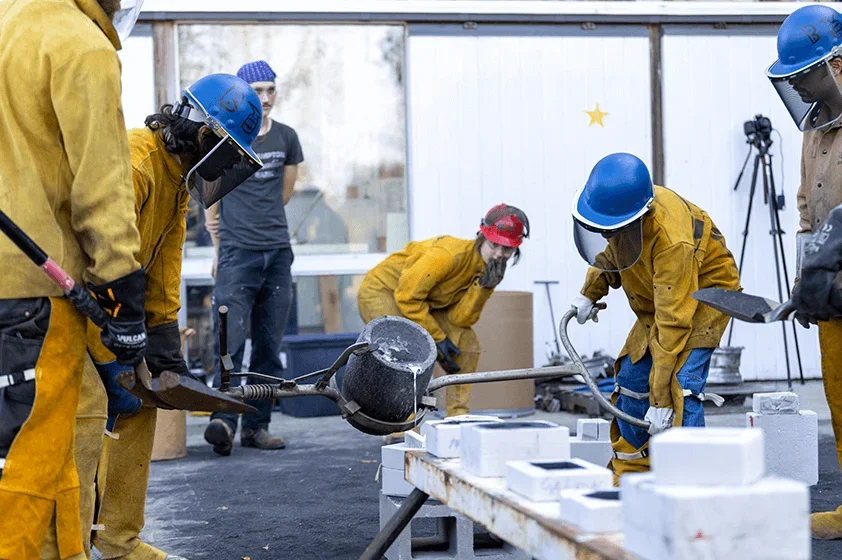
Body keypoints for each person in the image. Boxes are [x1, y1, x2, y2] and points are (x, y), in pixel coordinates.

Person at [46, 73, 266, 560]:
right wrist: (112, 356)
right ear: (205, 134)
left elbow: (163, 271)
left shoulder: (178, 180)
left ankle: (119, 541)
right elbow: (97, 258)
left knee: (144, 398)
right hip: (59, 301)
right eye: (228, 153)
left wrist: (165, 352)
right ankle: (69, 549)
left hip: (108, 307)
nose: (226, 166)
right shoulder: (135, 163)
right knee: (86, 413)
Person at [0, 1, 148, 558]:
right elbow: (102, 190)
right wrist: (120, 290)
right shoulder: (81, 45)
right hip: (32, 294)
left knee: (51, 458)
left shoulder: (8, 21)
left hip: (13, 284)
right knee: (27, 471)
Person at [569, 153, 740, 482]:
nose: (604, 235)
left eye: (608, 230)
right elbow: (614, 251)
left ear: (639, 216)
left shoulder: (671, 238)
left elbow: (673, 322)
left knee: (681, 387)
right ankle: (632, 474)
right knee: (632, 380)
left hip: (705, 296)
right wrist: (589, 293)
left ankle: (692, 484)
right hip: (659, 295)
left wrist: (660, 399)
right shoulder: (623, 213)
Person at [203, 60, 304, 456]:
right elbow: (211, 201)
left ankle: (256, 428)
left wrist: (264, 226)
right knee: (229, 341)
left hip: (277, 253)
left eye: (270, 90)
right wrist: (219, 250)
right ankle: (223, 422)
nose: (264, 98)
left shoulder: (287, 138)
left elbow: (285, 192)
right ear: (243, 93)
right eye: (257, 91)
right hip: (237, 255)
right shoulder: (226, 137)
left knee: (267, 345)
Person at [768, 4, 842, 539]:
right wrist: (805, 284)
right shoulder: (814, 130)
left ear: (835, 64)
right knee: (839, 400)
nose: (798, 87)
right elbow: (805, 210)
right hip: (834, 294)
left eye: (803, 75)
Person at [357, 204, 529, 428]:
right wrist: (437, 337)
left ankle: (457, 420)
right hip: (384, 291)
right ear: (481, 236)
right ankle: (401, 427)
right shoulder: (447, 255)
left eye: (507, 250)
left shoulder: (487, 269)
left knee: (466, 345)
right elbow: (407, 297)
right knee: (403, 348)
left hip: (424, 303)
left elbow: (461, 320)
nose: (499, 254)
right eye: (494, 245)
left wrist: (485, 287)